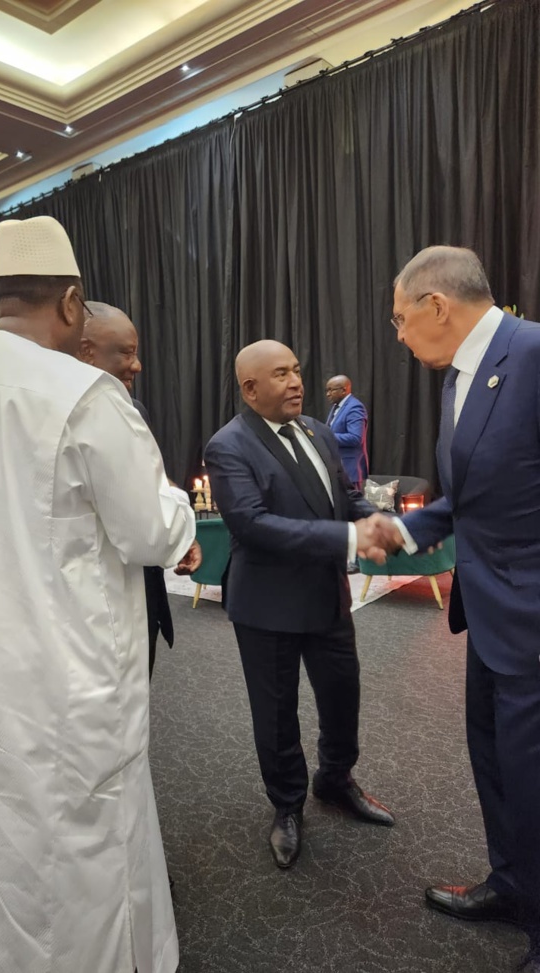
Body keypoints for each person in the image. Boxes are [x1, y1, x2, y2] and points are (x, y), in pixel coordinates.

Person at [0, 216, 197, 973]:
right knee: (73, 848)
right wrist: (177, 500)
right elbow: (150, 531)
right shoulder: (84, 395)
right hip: (61, 676)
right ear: (70, 303)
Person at [378, 245, 540, 973]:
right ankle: (514, 886)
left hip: (531, 618)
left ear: (436, 306)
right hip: (487, 615)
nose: (399, 335)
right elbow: (474, 494)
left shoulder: (532, 354)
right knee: (497, 764)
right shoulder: (457, 377)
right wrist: (403, 529)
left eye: (399, 319)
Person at [204, 339, 394, 871]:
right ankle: (287, 805)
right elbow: (254, 525)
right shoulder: (228, 446)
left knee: (342, 696)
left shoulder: (317, 431)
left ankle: (334, 779)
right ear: (250, 389)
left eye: (296, 370)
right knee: (276, 714)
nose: (296, 382)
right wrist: (350, 538)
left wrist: (374, 519)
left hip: (327, 597)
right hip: (267, 607)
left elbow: (343, 497)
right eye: (281, 374)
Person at [79, 301, 201, 678]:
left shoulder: (134, 409)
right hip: (94, 611)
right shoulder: (59, 417)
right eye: (127, 353)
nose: (137, 365)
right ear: (86, 351)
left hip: (143, 595)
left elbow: (151, 480)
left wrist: (182, 537)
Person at [325, 374, 369, 490]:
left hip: (350, 471)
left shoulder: (354, 407)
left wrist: (327, 436)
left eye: (331, 390)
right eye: (327, 390)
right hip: (338, 469)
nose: (328, 394)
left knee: (351, 502)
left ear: (343, 390)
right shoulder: (337, 406)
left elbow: (355, 438)